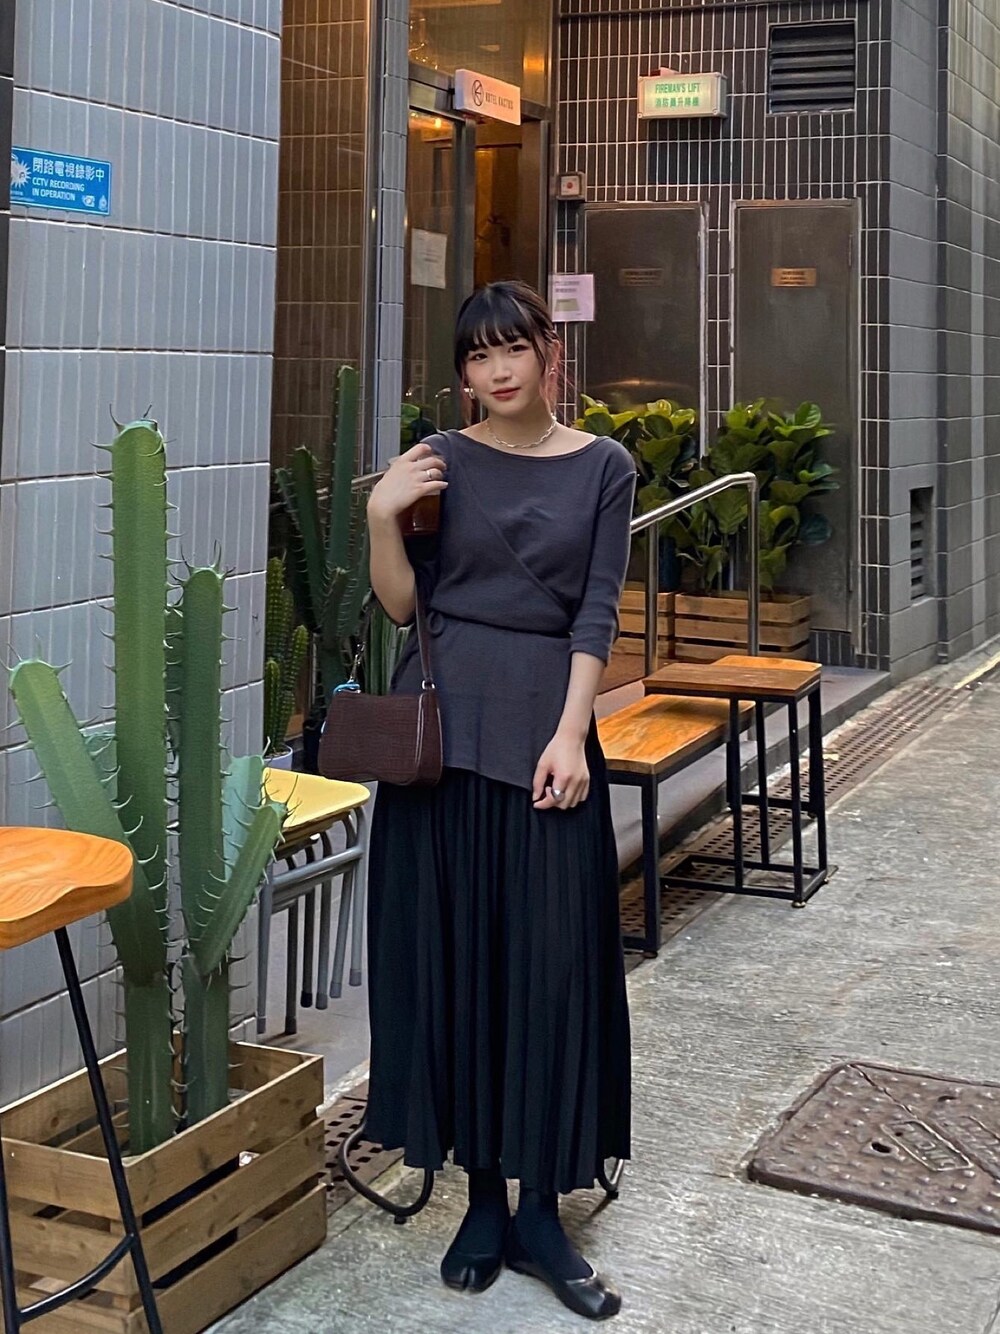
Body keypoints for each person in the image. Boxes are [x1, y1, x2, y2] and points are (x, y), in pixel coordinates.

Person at [364, 280, 635, 1321]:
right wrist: (383, 514)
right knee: (461, 967)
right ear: (464, 373)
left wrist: (571, 732)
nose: (497, 370)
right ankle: (481, 1199)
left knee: (549, 974)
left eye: (513, 348)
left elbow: (596, 610)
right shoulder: (438, 460)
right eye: (478, 357)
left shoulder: (604, 467)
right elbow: (404, 604)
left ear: (548, 352)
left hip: (544, 740)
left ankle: (540, 1212)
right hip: (444, 748)